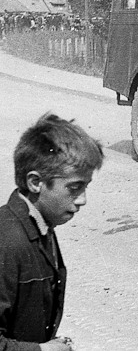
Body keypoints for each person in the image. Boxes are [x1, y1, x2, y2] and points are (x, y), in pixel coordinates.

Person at [0, 113, 104, 351]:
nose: (83, 200)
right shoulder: (7, 241)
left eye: (85, 187)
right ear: (36, 183)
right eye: (74, 188)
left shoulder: (42, 225)